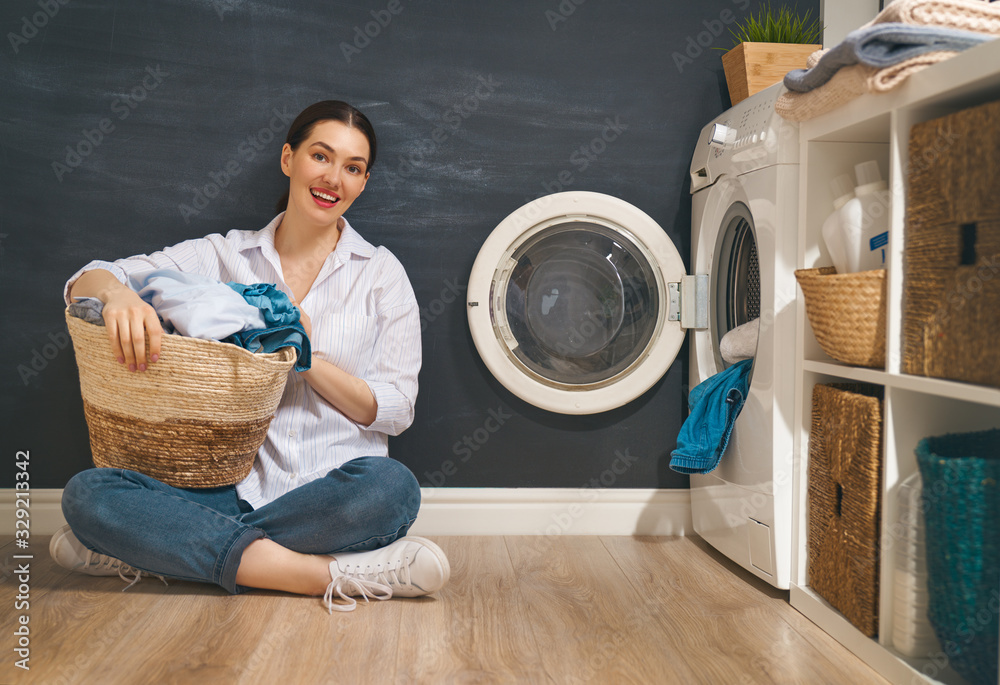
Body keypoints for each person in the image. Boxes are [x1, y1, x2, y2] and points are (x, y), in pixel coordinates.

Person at [50, 100, 449, 612]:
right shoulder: (226, 255)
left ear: (364, 182)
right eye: (320, 157)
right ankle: (320, 574)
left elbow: (395, 410)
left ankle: (162, 552)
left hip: (335, 497)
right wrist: (118, 295)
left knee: (394, 489)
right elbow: (89, 278)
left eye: (352, 168)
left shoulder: (381, 273)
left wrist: (303, 355)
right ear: (289, 159)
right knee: (89, 494)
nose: (333, 178)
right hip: (227, 489)